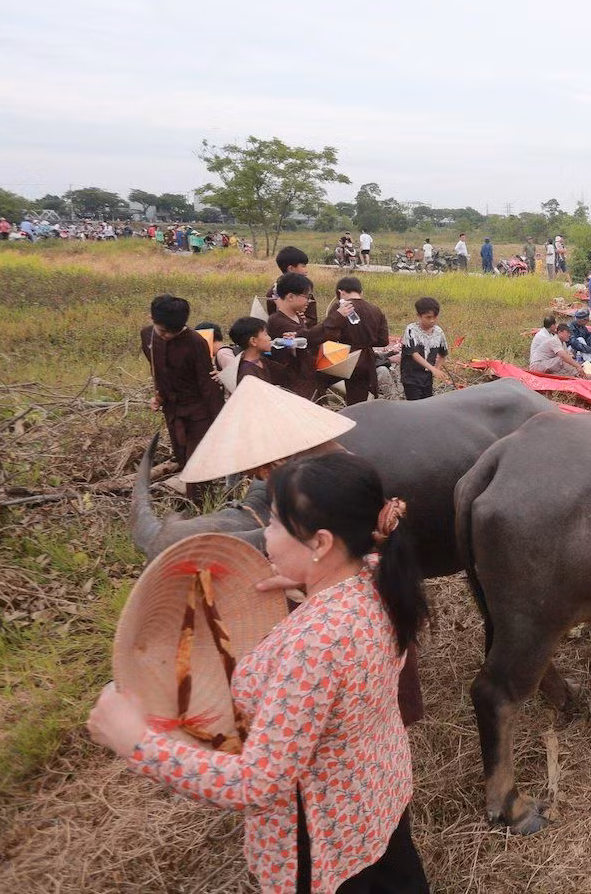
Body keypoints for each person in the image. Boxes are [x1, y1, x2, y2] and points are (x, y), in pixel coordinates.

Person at [89, 452, 431, 893]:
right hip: (376, 793)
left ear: (321, 543)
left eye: (273, 522)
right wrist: (306, 584)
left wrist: (136, 742)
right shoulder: (379, 578)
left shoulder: (312, 646)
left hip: (324, 835)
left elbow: (257, 784)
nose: (265, 534)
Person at [141, 295, 227, 473]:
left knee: (198, 463)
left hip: (198, 411)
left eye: (173, 332)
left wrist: (221, 421)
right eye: (163, 331)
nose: (167, 336)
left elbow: (207, 384)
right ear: (152, 319)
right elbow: (156, 368)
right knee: (183, 459)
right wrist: (159, 395)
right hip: (172, 410)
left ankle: (199, 499)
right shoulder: (148, 336)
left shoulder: (196, 342)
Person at [266, 273, 347, 401]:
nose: (309, 301)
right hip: (294, 383)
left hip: (308, 377)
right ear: (291, 297)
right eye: (307, 296)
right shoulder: (277, 321)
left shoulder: (297, 317)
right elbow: (307, 339)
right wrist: (336, 317)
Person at [326, 276, 389, 405]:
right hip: (367, 362)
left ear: (341, 292)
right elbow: (383, 341)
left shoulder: (340, 307)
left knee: (331, 393)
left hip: (344, 358)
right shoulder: (375, 310)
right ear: (360, 291)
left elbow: (329, 333)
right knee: (359, 401)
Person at [400, 297, 450, 400]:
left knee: (427, 403)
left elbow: (443, 353)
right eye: (428, 317)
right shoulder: (411, 330)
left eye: (435, 317)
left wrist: (437, 369)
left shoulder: (438, 332)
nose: (432, 320)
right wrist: (433, 369)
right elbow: (414, 354)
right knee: (415, 406)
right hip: (411, 377)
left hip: (427, 378)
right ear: (419, 315)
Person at [228, 316, 286, 389]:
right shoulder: (247, 373)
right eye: (265, 334)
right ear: (253, 341)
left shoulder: (261, 360)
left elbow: (287, 375)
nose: (269, 338)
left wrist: (290, 347)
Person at [266, 246, 313, 322]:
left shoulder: (306, 289)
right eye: (303, 266)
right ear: (291, 268)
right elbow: (273, 321)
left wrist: (303, 321)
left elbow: (312, 319)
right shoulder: (273, 294)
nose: (306, 271)